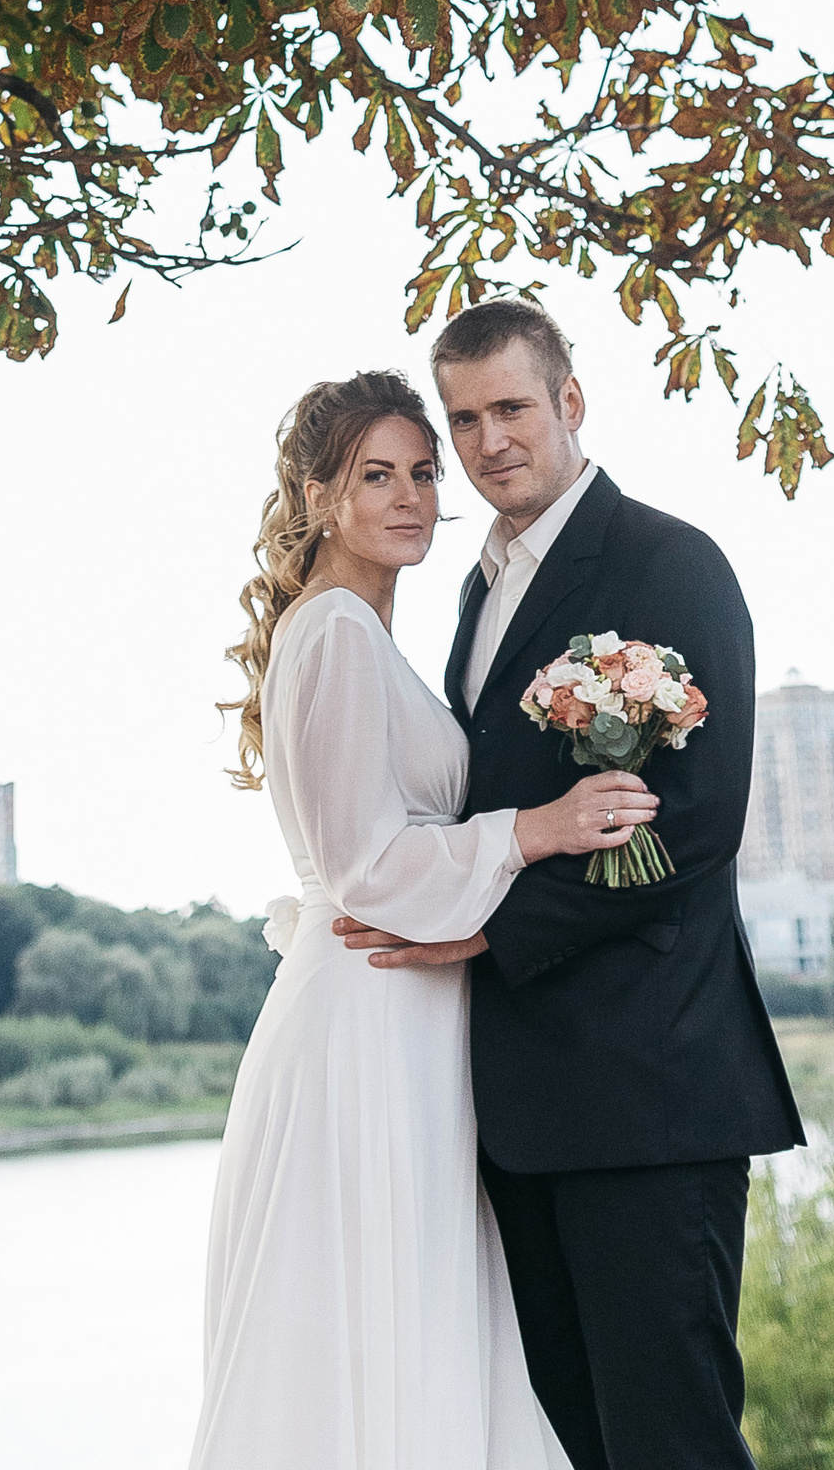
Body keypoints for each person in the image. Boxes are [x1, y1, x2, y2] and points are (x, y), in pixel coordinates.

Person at [333, 296, 804, 1470]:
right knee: (574, 1447)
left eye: (509, 407)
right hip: (520, 1111)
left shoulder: (667, 563)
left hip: (648, 1093)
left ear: (569, 403)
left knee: (670, 1443)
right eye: (463, 419)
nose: (489, 441)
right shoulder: (478, 591)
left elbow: (693, 830)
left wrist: (484, 937)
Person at [189, 367, 660, 1470]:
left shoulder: (355, 632)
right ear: (318, 498)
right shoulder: (341, 632)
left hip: (393, 1013)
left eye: (419, 473)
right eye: (374, 475)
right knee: (374, 1333)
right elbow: (365, 867)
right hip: (368, 1017)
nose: (408, 497)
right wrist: (533, 829)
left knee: (398, 1327)